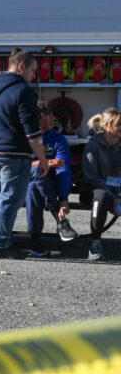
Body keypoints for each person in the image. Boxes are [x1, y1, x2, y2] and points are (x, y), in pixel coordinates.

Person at [0, 48, 48, 259]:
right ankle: (0, 244)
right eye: (32, 71)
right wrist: (42, 160)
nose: (33, 77)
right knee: (10, 200)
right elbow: (32, 134)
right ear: (21, 66)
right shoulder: (23, 91)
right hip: (15, 154)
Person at [27, 100, 78, 257]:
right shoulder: (24, 138)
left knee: (34, 188)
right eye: (48, 114)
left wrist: (63, 197)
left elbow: (63, 169)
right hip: (21, 184)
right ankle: (61, 222)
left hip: (47, 186)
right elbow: (21, 165)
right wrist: (46, 162)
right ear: (38, 119)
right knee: (36, 172)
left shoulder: (58, 139)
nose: (53, 118)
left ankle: (36, 242)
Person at [82, 108, 121, 261]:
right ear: (106, 126)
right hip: (94, 190)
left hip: (118, 192)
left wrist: (119, 195)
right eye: (119, 124)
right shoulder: (93, 145)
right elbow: (92, 177)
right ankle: (95, 243)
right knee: (102, 196)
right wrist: (113, 198)